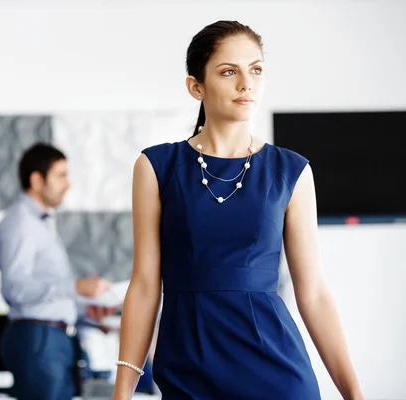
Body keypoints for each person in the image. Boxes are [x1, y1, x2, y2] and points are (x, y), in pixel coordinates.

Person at [112, 20, 364, 399]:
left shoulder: (291, 170)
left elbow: (312, 292)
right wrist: (122, 392)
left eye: (256, 70)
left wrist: (354, 395)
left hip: (276, 372)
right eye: (229, 71)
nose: (247, 83)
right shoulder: (156, 167)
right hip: (187, 368)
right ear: (196, 86)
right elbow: (146, 286)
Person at [0, 142, 115, 400]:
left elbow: (46, 292)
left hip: (53, 339)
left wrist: (86, 309)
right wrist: (74, 287)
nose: (67, 184)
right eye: (61, 176)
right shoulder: (20, 223)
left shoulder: (42, 223)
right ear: (37, 180)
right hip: (38, 339)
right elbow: (14, 288)